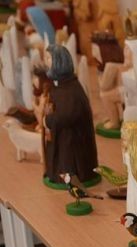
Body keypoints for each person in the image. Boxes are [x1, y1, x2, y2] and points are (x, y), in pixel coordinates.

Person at [42, 44, 97, 185]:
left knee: (66, 154)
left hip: (73, 142)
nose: (46, 61)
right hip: (64, 137)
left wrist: (48, 120)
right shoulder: (61, 85)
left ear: (59, 62)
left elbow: (66, 116)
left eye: (49, 58)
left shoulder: (70, 90)